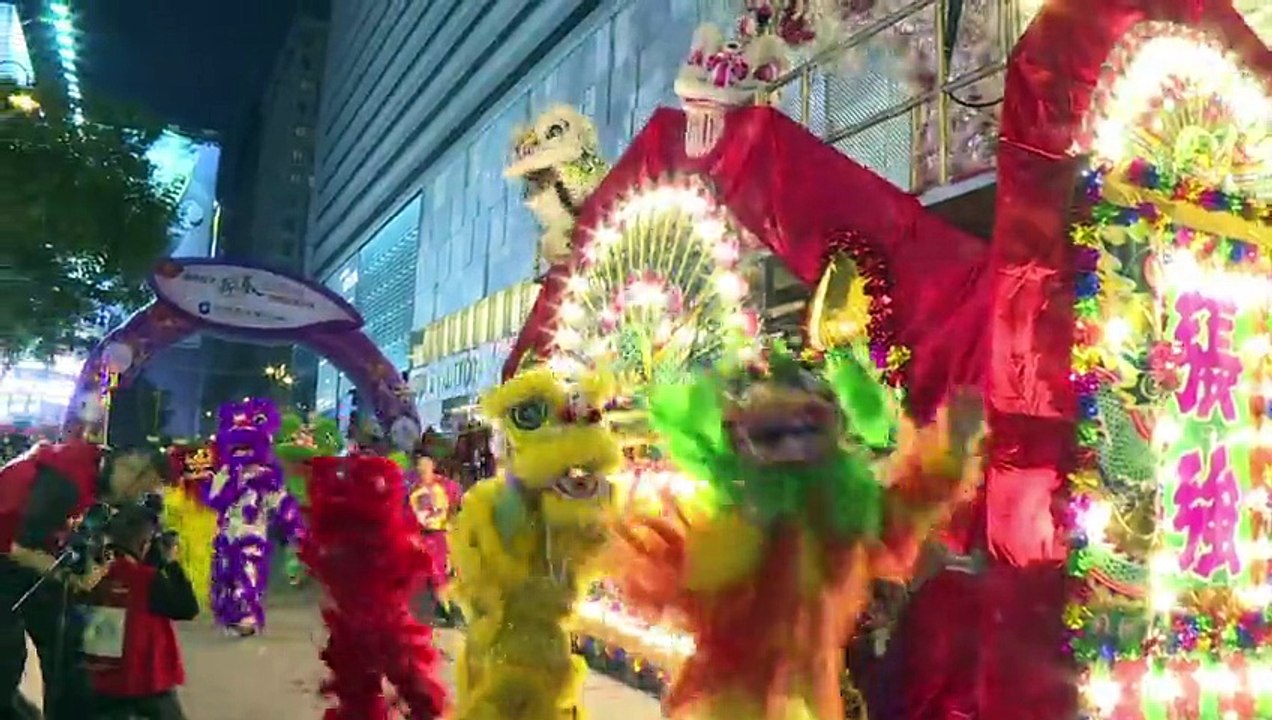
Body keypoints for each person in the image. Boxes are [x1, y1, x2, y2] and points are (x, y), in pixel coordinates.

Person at [0, 440, 167, 720]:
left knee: (67, 649)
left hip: (25, 561)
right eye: (141, 489)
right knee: (7, 659)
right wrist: (69, 576)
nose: (137, 497)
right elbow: (20, 547)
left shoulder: (93, 472)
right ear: (128, 467)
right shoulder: (65, 481)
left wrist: (91, 565)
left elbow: (71, 535)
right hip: (11, 559)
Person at [84, 504, 198, 720]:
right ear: (144, 544)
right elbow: (187, 608)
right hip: (146, 682)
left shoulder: (94, 576)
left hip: (102, 682)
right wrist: (171, 563)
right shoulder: (146, 580)